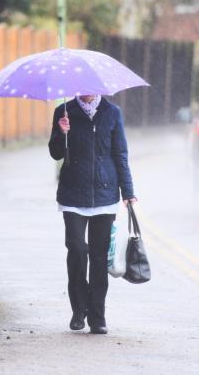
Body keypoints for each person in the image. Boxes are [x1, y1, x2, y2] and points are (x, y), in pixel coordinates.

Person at [48, 94, 137, 335]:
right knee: (77, 249)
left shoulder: (112, 112)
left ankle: (97, 316)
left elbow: (120, 154)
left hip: (105, 194)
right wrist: (61, 132)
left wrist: (128, 191)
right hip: (73, 194)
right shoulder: (64, 111)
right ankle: (79, 309)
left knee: (98, 257)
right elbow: (56, 154)